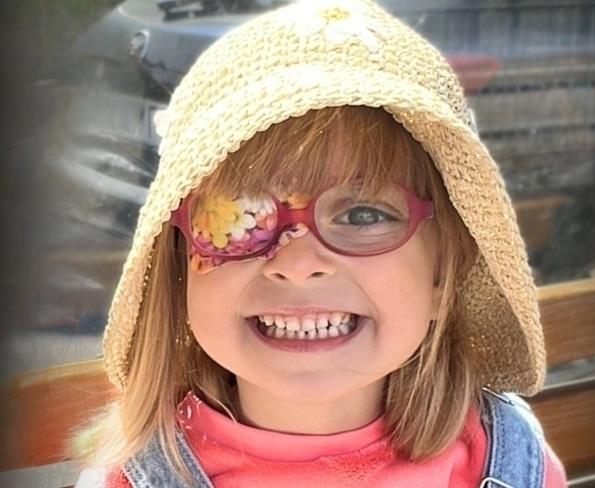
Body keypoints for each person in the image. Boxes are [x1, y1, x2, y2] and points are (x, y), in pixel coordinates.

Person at [72, 0, 567, 486]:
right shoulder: (129, 479)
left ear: (442, 276)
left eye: (363, 215)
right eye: (240, 215)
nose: (297, 262)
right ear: (180, 268)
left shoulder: (511, 460)